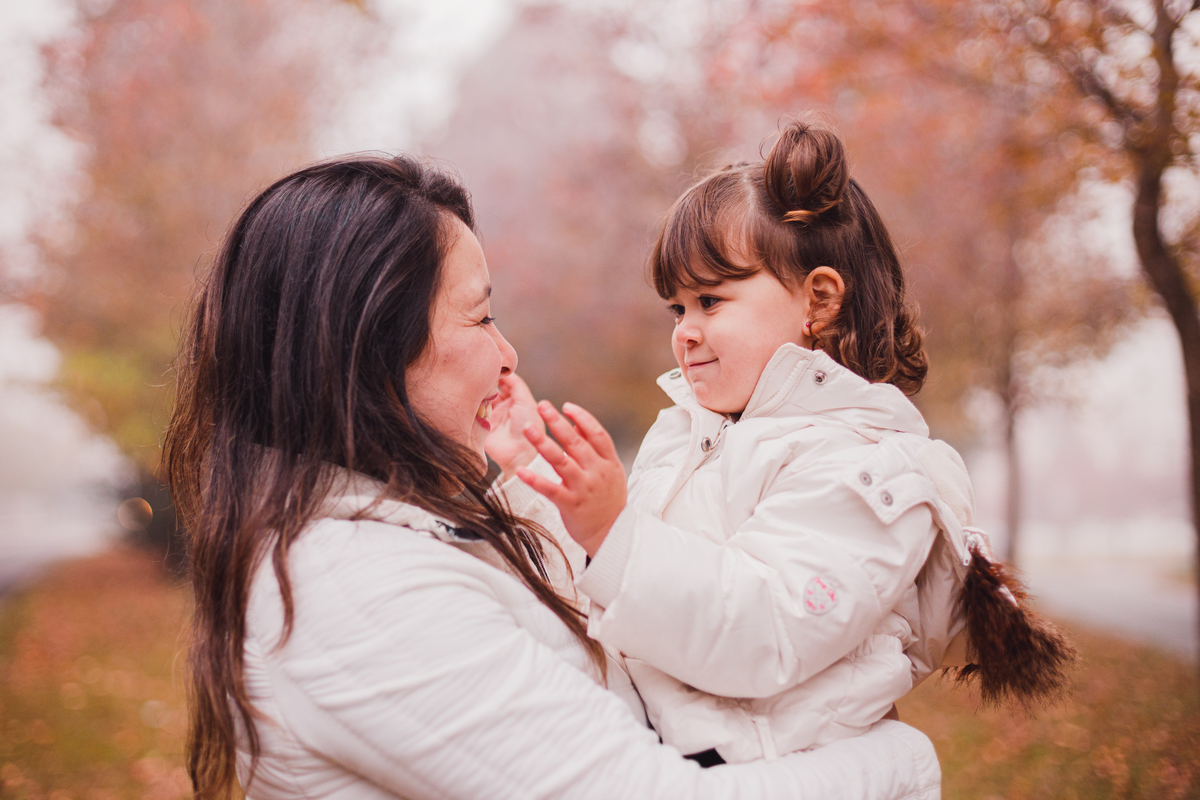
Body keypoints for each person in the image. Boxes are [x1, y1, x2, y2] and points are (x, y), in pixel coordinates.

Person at [162, 154, 944, 800]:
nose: (507, 354)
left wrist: (537, 481)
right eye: (479, 316)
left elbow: (585, 603)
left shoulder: (388, 539)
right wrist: (904, 766)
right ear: (369, 345)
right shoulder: (349, 589)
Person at [510, 121, 1075, 765]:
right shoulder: (687, 435)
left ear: (820, 300)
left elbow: (762, 631)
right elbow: (598, 583)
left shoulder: (863, 469)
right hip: (653, 749)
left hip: (759, 765)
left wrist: (614, 536)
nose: (685, 333)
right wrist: (525, 474)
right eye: (677, 309)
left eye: (710, 300)